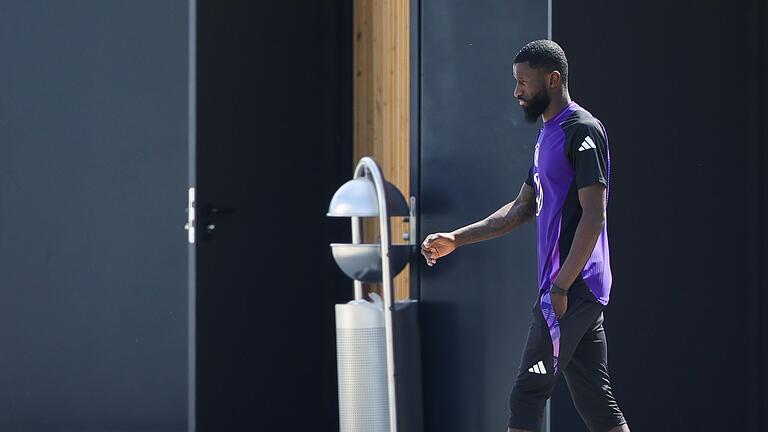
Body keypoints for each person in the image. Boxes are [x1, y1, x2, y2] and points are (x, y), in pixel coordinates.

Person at [420, 40, 629, 432]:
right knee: (596, 400)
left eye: (523, 82)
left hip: (572, 287)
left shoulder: (581, 130)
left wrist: (561, 287)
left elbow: (594, 216)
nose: (516, 92)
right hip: (569, 289)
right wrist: (456, 238)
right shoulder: (546, 135)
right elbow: (520, 209)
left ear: (552, 79)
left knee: (527, 395)